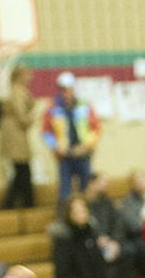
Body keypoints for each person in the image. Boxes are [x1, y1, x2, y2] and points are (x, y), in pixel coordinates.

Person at [42, 72, 101, 203]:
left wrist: (85, 146)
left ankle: (87, 217)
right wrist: (56, 146)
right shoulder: (52, 108)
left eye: (69, 89)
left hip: (83, 153)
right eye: (63, 90)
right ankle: (64, 217)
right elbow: (46, 132)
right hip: (64, 155)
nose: (66, 93)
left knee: (86, 189)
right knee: (65, 191)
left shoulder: (85, 105)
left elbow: (95, 129)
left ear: (74, 89)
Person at [0, 68, 38, 209]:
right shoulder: (17, 91)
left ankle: (12, 202)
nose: (30, 78)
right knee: (22, 169)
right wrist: (29, 120)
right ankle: (23, 202)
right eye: (28, 74)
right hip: (16, 135)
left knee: (20, 171)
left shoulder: (16, 90)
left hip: (14, 134)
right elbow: (21, 114)